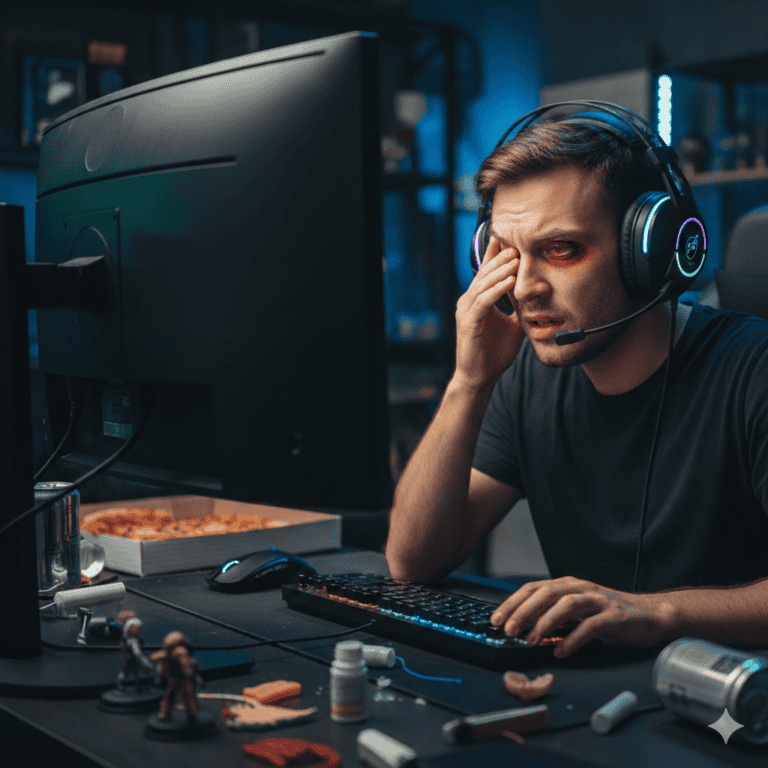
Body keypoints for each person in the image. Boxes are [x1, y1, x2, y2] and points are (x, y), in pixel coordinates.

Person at [385, 113, 768, 660]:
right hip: (592, 689)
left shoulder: (754, 371)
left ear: (646, 251)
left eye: (562, 249)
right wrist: (469, 381)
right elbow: (413, 562)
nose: (523, 287)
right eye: (506, 254)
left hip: (735, 697)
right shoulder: (525, 377)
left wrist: (658, 614)